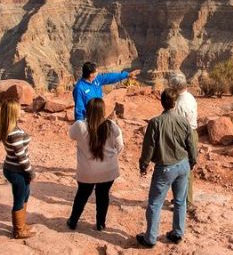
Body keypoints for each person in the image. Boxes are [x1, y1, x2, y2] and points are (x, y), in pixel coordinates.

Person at [137, 88, 198, 248]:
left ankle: (150, 239)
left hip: (165, 168)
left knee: (155, 203)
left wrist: (144, 165)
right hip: (183, 165)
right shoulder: (184, 121)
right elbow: (191, 143)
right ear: (174, 103)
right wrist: (192, 161)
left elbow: (148, 147)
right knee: (180, 201)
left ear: (162, 102)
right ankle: (177, 233)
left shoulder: (156, 122)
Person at [67, 97, 124, 232]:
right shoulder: (111, 125)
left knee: (82, 195)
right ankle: (100, 224)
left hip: (87, 172)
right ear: (103, 110)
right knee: (103, 195)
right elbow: (120, 146)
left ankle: (73, 221)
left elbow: (71, 136)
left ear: (88, 110)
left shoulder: (80, 126)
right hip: (108, 171)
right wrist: (111, 157)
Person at [0, 98, 35, 239]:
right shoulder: (15, 133)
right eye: (19, 109)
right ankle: (19, 230)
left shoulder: (6, 127)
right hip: (17, 170)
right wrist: (30, 172)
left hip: (11, 167)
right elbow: (21, 157)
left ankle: (22, 224)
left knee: (25, 194)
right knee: (20, 198)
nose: (22, 110)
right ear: (14, 113)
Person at [170, 71, 199, 213]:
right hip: (192, 133)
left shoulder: (180, 104)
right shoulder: (190, 96)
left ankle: (186, 202)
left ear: (175, 88)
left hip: (185, 136)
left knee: (184, 169)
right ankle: (180, 198)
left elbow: (180, 125)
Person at [74, 61, 139, 121]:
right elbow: (79, 108)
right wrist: (80, 124)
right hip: (89, 119)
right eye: (96, 72)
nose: (98, 73)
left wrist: (127, 75)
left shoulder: (97, 80)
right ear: (91, 74)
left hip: (100, 116)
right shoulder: (79, 88)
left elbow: (109, 77)